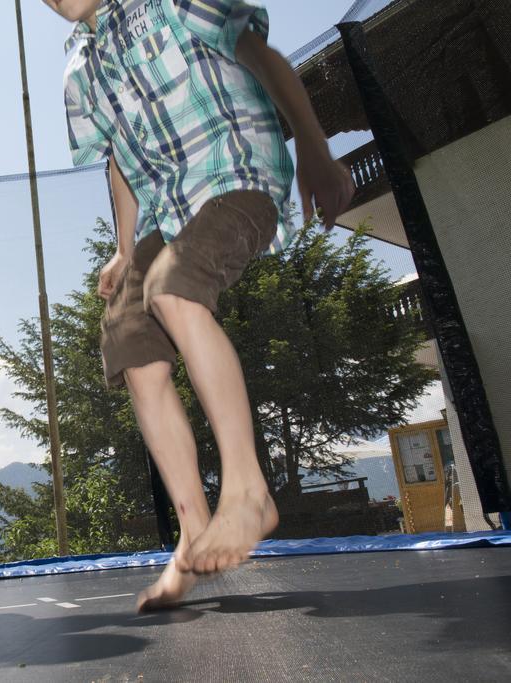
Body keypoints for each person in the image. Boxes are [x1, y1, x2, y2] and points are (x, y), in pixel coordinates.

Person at [43, 0, 353, 610]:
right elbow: (119, 161)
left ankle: (247, 491)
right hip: (166, 211)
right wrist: (123, 249)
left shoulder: (174, 4)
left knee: (172, 289)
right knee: (130, 340)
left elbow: (261, 56)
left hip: (239, 172)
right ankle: (190, 536)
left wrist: (315, 152)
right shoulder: (79, 67)